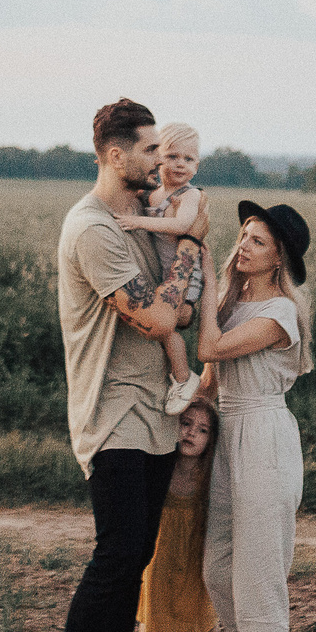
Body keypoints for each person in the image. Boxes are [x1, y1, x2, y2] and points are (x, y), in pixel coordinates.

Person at [43, 98, 208, 632]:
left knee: (136, 555)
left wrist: (186, 259)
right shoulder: (94, 229)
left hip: (154, 416)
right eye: (147, 149)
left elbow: (186, 308)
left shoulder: (145, 222)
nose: (159, 160)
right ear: (115, 155)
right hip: (110, 416)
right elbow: (158, 317)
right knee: (114, 559)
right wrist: (188, 260)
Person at [200, 199, 314, 632]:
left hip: (266, 438)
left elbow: (210, 348)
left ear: (278, 261)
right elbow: (208, 378)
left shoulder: (279, 314)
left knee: (258, 572)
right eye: (243, 234)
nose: (243, 244)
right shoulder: (235, 304)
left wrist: (208, 283)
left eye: (258, 241)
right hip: (230, 435)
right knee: (217, 566)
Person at [129, 399, 224, 632]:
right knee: (151, 612)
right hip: (161, 554)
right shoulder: (161, 467)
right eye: (186, 423)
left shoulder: (210, 475)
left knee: (204, 616)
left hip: (195, 555)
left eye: (202, 430)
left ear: (211, 440)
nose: (191, 433)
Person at [112, 120, 211, 413]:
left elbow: (182, 225)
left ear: (197, 166)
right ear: (158, 159)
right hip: (163, 275)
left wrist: (138, 221)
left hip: (185, 276)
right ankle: (171, 378)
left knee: (167, 327)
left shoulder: (189, 196)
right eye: (172, 156)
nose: (180, 164)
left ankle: (183, 378)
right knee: (155, 320)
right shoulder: (153, 193)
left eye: (188, 159)